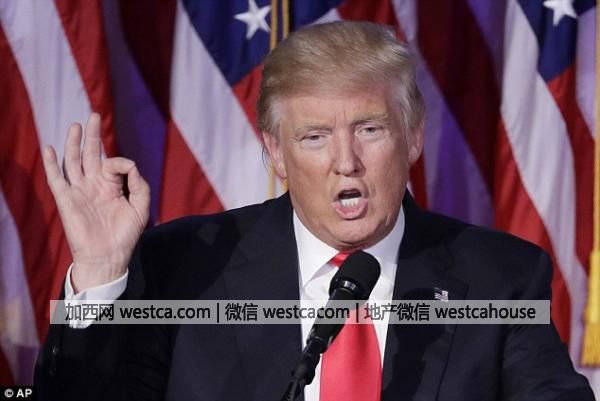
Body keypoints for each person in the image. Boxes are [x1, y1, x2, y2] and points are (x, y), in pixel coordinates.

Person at [34, 21, 593, 401]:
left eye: (369, 129)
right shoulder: (183, 268)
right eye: (315, 137)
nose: (345, 162)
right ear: (276, 152)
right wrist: (101, 276)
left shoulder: (502, 276)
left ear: (414, 137)